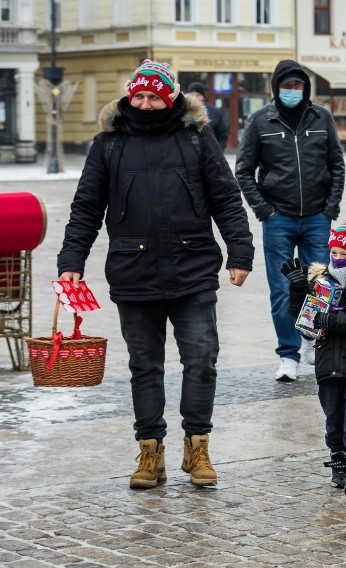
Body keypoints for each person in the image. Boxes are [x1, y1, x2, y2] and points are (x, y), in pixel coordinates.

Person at [57, 59, 254, 489]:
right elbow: (87, 207)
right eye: (138, 96)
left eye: (153, 96)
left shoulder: (196, 137)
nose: (145, 104)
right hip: (134, 271)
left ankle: (197, 446)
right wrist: (71, 262)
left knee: (201, 360)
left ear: (170, 98)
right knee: (144, 366)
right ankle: (150, 453)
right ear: (130, 96)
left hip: (193, 267)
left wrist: (240, 251)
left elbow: (225, 197)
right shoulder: (108, 144)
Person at [236, 59, 345, 382]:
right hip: (278, 218)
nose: (293, 91)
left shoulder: (321, 118)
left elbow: (337, 165)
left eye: (298, 86)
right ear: (276, 88)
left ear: (306, 89)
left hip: (317, 217)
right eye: (287, 86)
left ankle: (314, 341)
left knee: (321, 286)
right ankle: (288, 354)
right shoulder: (260, 122)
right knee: (283, 290)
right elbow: (243, 170)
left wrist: (330, 208)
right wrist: (264, 210)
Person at [282, 215, 346, 503]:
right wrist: (297, 290)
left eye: (345, 254)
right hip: (327, 364)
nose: (338, 259)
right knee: (333, 421)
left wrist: (329, 318)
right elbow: (302, 317)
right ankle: (338, 459)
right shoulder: (321, 280)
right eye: (335, 253)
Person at [186, 82, 229, 150]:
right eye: (192, 95)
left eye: (198, 95)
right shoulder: (183, 111)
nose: (195, 97)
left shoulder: (214, 112)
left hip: (210, 153)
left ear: (203, 96)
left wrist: (218, 151)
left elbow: (222, 135)